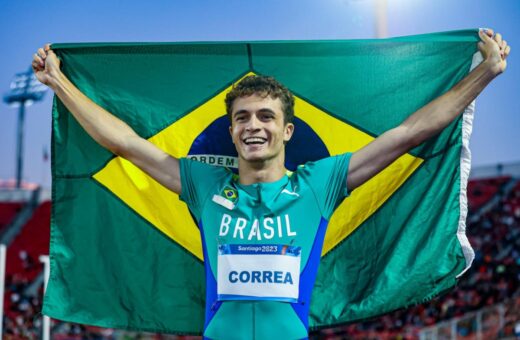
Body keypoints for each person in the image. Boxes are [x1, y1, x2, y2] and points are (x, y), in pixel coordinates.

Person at [33, 29, 510, 339]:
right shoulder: (203, 184)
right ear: (232, 131)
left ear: (286, 131)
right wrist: (60, 83)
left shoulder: (320, 184)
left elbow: (410, 133)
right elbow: (127, 143)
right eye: (242, 117)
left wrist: (483, 74)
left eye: (266, 116)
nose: (253, 125)